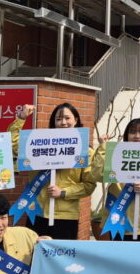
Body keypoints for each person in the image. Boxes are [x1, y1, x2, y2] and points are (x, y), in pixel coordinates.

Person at [8, 103, 98, 240]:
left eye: (67, 118)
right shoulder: (40, 142)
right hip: (36, 212)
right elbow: (13, 145)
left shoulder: (85, 151)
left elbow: (89, 185)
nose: (63, 122)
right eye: (58, 119)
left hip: (65, 217)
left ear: (76, 120)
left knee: (62, 259)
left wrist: (63, 192)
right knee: (34, 256)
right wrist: (21, 118)